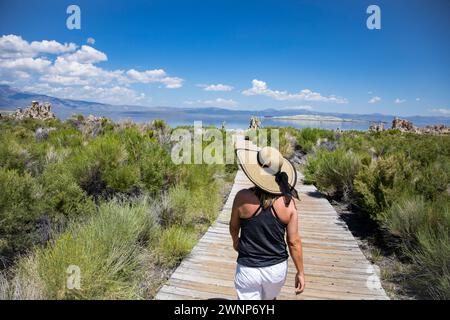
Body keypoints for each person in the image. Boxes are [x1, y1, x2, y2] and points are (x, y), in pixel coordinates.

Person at [230, 144, 305, 300]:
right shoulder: (288, 203)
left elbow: (233, 227)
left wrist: (236, 241)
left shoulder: (242, 198)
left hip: (248, 269)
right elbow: (294, 242)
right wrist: (300, 272)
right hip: (276, 271)